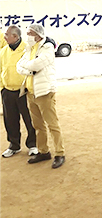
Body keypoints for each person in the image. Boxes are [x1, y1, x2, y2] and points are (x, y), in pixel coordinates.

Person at [17, 23, 65, 169]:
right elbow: (19, 65)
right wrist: (29, 69)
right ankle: (43, 151)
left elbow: (36, 65)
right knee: (37, 125)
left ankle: (59, 153)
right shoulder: (29, 48)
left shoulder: (48, 48)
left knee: (52, 124)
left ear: (38, 35)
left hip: (44, 92)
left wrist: (28, 66)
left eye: (30, 33)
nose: (28, 36)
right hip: (30, 92)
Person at [0, 25, 38, 158]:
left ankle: (33, 145)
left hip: (24, 91)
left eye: (6, 35)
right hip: (7, 91)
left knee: (30, 119)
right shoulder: (3, 51)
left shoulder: (27, 49)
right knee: (10, 120)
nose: (4, 37)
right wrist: (2, 88)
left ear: (15, 37)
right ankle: (14, 146)